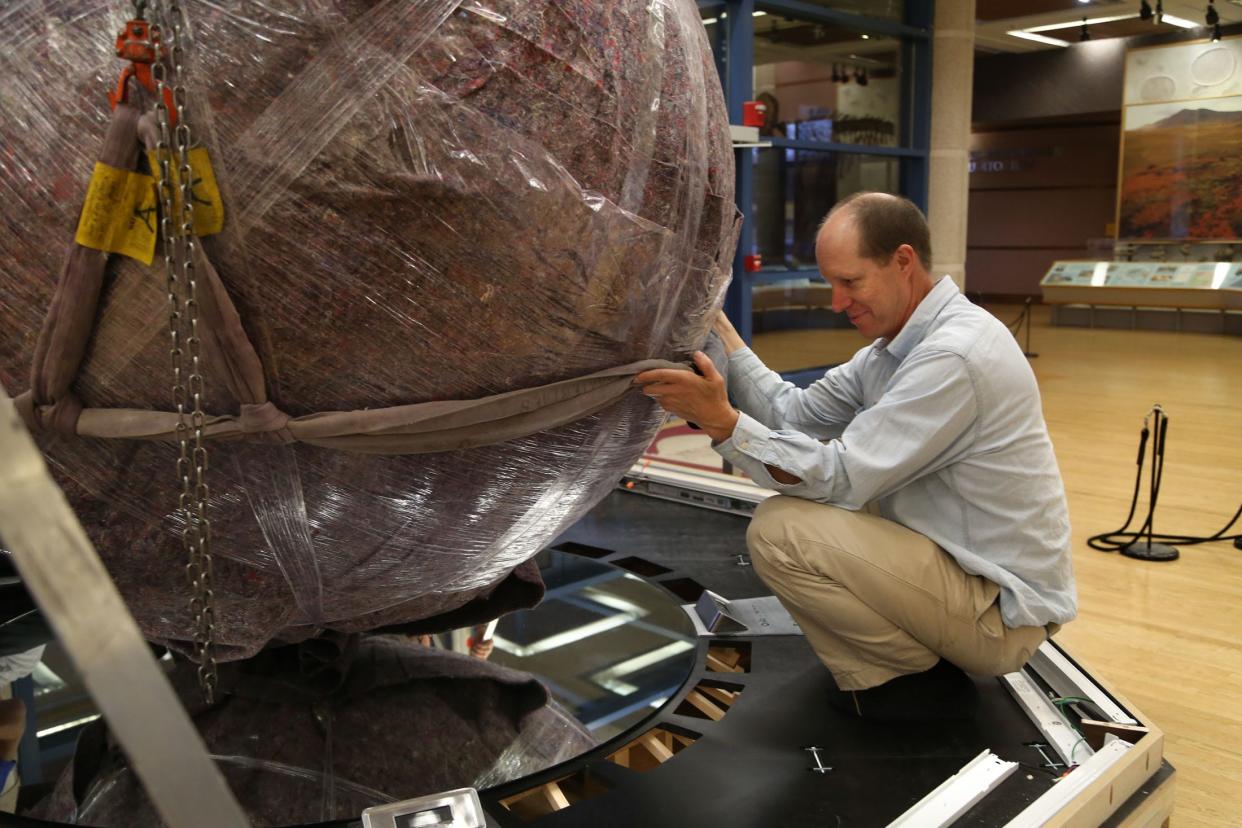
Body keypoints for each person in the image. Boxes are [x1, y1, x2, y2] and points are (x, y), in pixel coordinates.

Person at [634, 192, 1076, 721]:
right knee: (824, 507)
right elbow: (792, 412)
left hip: (998, 616)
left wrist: (722, 422)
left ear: (904, 262)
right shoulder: (891, 351)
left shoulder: (954, 355)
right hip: (958, 569)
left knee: (783, 530)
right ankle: (912, 656)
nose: (837, 302)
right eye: (830, 283)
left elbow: (842, 476)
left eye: (850, 282)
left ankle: (906, 677)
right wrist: (721, 332)